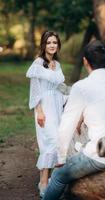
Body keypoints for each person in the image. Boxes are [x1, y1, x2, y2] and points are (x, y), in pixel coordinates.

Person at [42, 40, 105, 200]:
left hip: (103, 154)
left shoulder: (81, 87)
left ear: (85, 61)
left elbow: (66, 126)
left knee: (58, 176)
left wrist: (61, 158)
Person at [26, 31, 65, 197]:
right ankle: (43, 182)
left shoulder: (57, 64)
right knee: (49, 142)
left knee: (59, 142)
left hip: (57, 107)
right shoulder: (38, 63)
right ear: (44, 44)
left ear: (58, 45)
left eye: (54, 42)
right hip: (45, 109)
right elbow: (35, 91)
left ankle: (52, 181)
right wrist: (39, 112)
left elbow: (59, 88)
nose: (52, 45)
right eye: (49, 42)